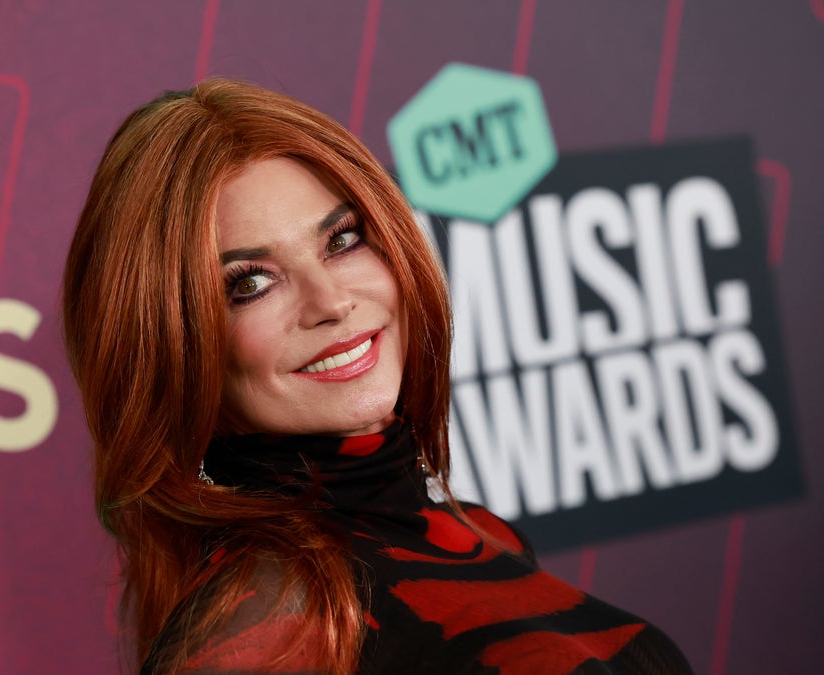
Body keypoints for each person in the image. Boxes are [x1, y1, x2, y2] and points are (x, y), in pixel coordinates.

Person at [62, 79, 693, 674]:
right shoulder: (266, 622)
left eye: (341, 240)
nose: (330, 301)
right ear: (172, 349)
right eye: (250, 283)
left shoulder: (481, 534)